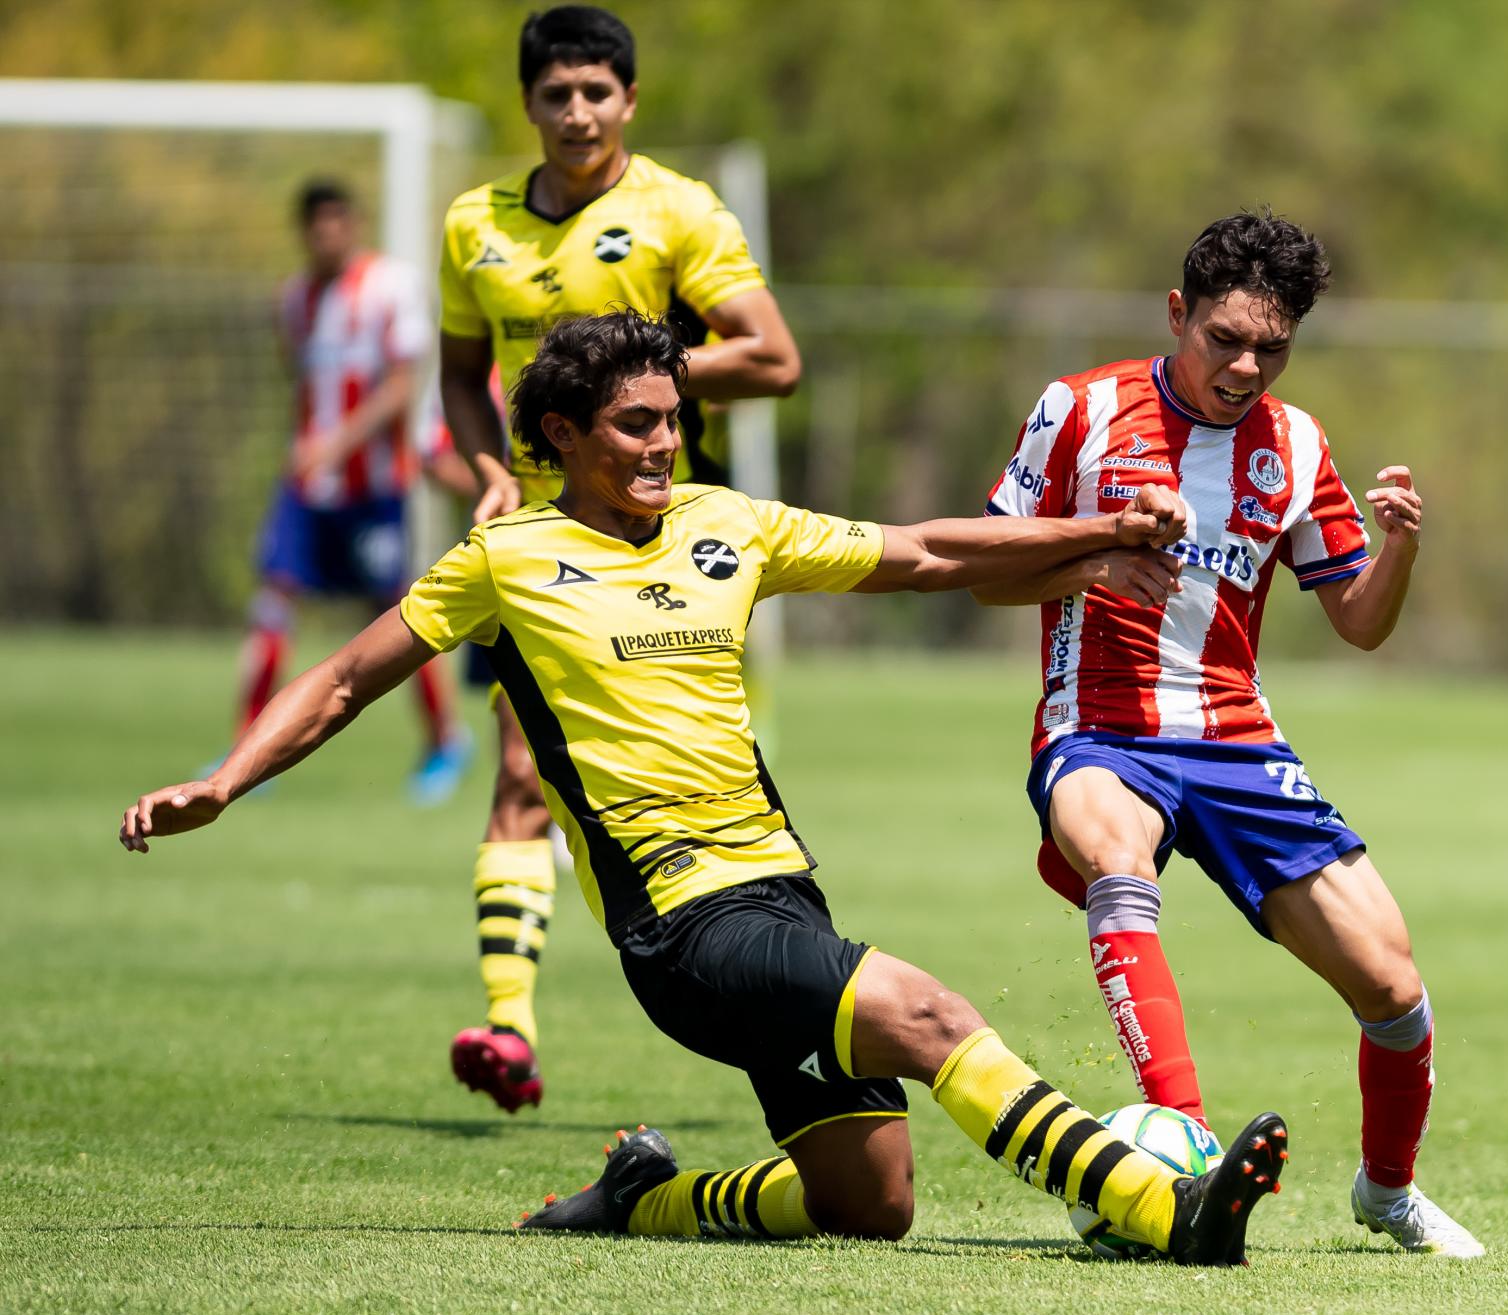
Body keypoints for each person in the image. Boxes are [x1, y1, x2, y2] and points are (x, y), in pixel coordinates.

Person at [118, 311, 1286, 1263]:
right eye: (635, 423)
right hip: (680, 925)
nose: (663, 444)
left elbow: (926, 550)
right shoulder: (502, 561)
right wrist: (224, 782)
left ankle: (641, 1198)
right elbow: (340, 679)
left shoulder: (722, 523)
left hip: (782, 892)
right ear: (563, 432)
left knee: (868, 1203)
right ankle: (1158, 1204)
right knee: (933, 1016)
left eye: (673, 419)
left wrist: (1094, 537)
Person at [974, 211, 1484, 1258]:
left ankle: (1387, 1193)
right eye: (1225, 339)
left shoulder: (1295, 444)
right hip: (1098, 727)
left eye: (1273, 347)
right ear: (1178, 313)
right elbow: (983, 569)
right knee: (1120, 864)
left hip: (1237, 741)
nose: (1246, 367)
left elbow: (1359, 623)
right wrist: (1095, 560)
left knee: (1393, 987)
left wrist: (1398, 552)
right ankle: (1188, 1147)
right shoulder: (1079, 409)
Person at [435, 5, 804, 1111]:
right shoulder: (473, 224)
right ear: (529, 103)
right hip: (537, 540)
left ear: (628, 100)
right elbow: (458, 373)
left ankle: (758, 974)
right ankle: (509, 1023)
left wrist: (630, 380)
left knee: (686, 782)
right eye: (556, 93)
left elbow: (772, 356)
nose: (577, 112)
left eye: (597, 91)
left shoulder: (677, 210)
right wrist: (486, 468)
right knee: (518, 766)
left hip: (657, 539)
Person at [229, 179, 470, 805]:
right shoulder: (295, 298)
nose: (327, 233)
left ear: (355, 223)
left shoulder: (390, 286)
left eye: (337, 220)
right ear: (304, 232)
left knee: (399, 612)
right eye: (316, 224)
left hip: (374, 488)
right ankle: (245, 751)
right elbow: (300, 377)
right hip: (308, 488)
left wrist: (337, 444)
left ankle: (445, 741)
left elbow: (402, 385)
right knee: (273, 600)